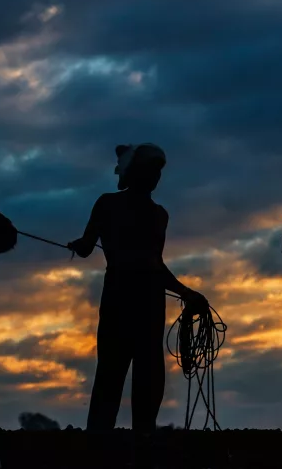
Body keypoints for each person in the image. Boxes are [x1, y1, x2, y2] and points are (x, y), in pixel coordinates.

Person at [67, 143, 207, 453]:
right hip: (142, 299)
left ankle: (107, 439)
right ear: (136, 174)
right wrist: (186, 293)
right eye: (151, 171)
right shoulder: (156, 215)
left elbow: (89, 246)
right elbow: (153, 265)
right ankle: (131, 439)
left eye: (157, 172)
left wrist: (78, 245)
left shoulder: (113, 206)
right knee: (136, 369)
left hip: (127, 296)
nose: (155, 177)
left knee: (124, 370)